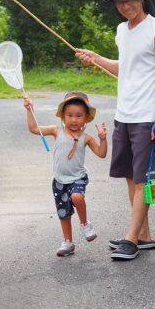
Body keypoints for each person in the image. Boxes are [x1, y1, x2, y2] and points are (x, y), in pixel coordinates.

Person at [76, 0, 155, 261]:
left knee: (143, 178)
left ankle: (131, 239)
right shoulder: (122, 30)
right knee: (131, 176)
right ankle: (144, 236)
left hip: (147, 116)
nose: (124, 5)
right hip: (125, 114)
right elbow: (124, 67)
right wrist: (96, 58)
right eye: (119, 1)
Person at [24, 92, 107, 256]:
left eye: (79, 116)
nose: (74, 120)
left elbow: (101, 153)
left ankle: (84, 224)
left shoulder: (86, 137)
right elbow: (34, 129)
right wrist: (29, 109)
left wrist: (103, 139)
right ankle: (68, 242)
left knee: (77, 197)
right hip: (59, 180)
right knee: (64, 212)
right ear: (63, 116)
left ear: (87, 118)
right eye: (69, 115)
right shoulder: (57, 131)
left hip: (78, 178)